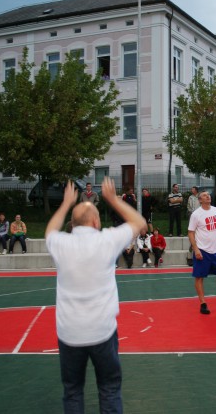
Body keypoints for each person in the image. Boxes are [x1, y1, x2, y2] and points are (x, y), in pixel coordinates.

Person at [45, 177, 146, 413]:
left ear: (72, 222)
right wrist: (112, 199)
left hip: (69, 333)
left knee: (72, 391)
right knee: (109, 389)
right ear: (95, 221)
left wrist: (66, 203)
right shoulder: (107, 240)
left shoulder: (60, 244)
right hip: (102, 331)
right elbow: (139, 222)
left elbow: (50, 230)